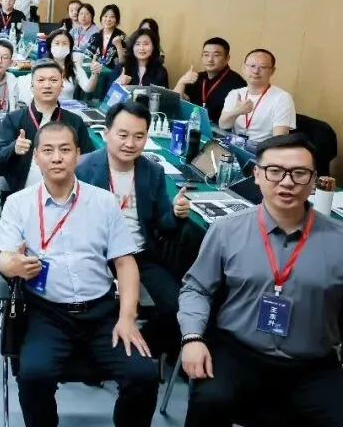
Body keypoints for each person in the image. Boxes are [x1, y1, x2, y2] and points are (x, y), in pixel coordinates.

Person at [0, 121, 159, 427]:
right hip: (47, 312)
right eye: (48, 150)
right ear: (36, 157)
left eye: (65, 150)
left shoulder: (103, 202)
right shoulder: (18, 204)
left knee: (143, 375)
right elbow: (4, 258)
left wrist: (127, 317)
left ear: (78, 155)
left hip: (102, 312)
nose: (57, 158)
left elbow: (125, 262)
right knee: (33, 375)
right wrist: (13, 265)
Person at [179, 133, 343, 426]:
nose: (287, 182)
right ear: (256, 174)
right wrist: (192, 338)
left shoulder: (338, 240)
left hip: (312, 365)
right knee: (209, 401)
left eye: (300, 173)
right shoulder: (226, 230)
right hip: (238, 353)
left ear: (314, 180)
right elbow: (197, 288)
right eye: (275, 171)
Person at [76, 101, 190, 358]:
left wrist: (175, 213)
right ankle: (100, 352)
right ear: (106, 133)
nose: (130, 143)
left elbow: (163, 224)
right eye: (123, 135)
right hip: (95, 254)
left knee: (179, 308)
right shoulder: (83, 169)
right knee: (94, 307)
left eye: (139, 136)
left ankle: (138, 348)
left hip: (140, 254)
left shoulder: (153, 172)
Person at [0, 60, 93, 192]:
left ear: (61, 87)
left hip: (63, 193)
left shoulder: (75, 122)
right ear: (32, 87)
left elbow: (88, 160)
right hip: (21, 193)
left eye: (53, 80)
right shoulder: (14, 119)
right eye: (41, 80)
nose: (47, 85)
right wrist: (13, 148)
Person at [219, 48, 296, 144]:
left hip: (263, 149)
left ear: (272, 71)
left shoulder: (282, 98)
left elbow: (279, 140)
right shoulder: (235, 94)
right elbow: (223, 125)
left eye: (263, 67)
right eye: (252, 66)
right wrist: (238, 111)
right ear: (244, 68)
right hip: (234, 146)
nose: (256, 71)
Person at [174, 37, 248, 124]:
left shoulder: (237, 83)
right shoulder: (197, 77)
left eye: (216, 55)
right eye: (206, 55)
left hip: (221, 130)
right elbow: (175, 104)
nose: (210, 59)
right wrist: (181, 82)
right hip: (193, 125)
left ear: (227, 58)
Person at [40, 29, 101, 102]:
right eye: (57, 43)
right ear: (50, 46)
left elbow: (88, 88)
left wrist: (94, 74)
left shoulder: (74, 67)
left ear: (70, 47)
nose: (60, 47)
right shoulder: (41, 67)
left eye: (64, 44)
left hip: (66, 107)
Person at [88, 4, 126, 69]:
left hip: (114, 72)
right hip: (96, 71)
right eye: (105, 16)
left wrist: (119, 46)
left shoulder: (122, 37)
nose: (108, 19)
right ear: (101, 18)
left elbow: (124, 62)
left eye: (112, 17)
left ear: (117, 20)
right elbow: (87, 57)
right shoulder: (94, 36)